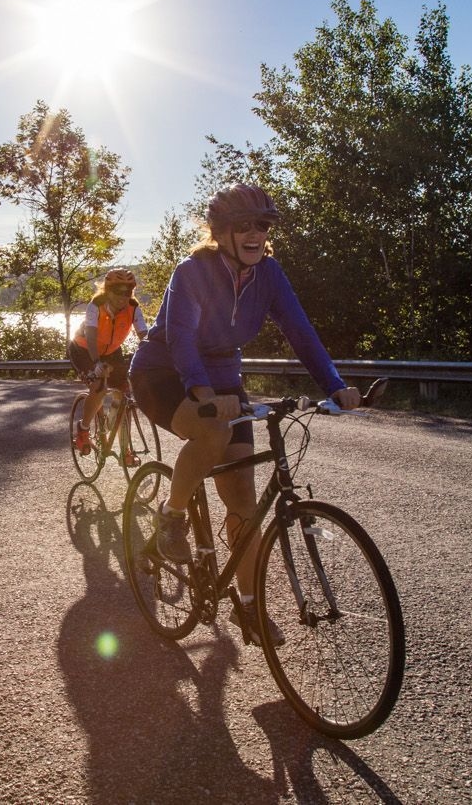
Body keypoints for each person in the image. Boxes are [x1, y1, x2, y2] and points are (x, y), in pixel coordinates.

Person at [129, 183, 361, 647]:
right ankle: (172, 517)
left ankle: (251, 609)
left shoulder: (269, 275)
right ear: (221, 231)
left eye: (263, 225)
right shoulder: (192, 271)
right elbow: (181, 339)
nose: (255, 233)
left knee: (244, 508)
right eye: (244, 225)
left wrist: (335, 385)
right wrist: (201, 392)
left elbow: (301, 331)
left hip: (222, 379)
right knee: (213, 434)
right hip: (164, 371)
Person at [69, 268, 149, 465]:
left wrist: (153, 356)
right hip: (84, 349)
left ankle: (125, 450)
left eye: (128, 292)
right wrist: (96, 363)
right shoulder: (95, 306)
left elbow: (144, 336)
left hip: (112, 351)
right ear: (107, 290)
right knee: (98, 386)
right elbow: (91, 334)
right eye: (118, 291)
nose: (123, 297)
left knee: (124, 395)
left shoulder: (133, 307)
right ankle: (83, 430)